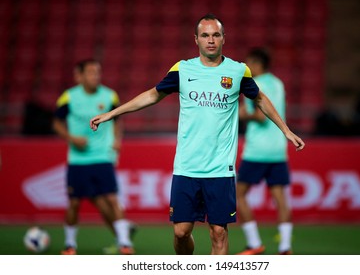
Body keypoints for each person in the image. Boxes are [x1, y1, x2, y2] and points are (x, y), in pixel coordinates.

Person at [90, 14, 305, 255]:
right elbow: (153, 95)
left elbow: (260, 99)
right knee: (181, 232)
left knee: (219, 233)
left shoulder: (238, 71)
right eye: (205, 35)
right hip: (186, 167)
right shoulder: (183, 69)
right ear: (196, 39)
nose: (211, 40)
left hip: (220, 169)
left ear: (224, 38)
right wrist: (112, 113)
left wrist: (285, 130)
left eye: (216, 35)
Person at [53, 59, 135, 255]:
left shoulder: (109, 96)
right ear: (79, 76)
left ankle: (124, 243)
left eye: (97, 72)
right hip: (78, 159)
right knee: (74, 202)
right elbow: (57, 123)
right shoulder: (69, 97)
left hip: (103, 156)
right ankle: (70, 244)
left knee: (112, 199)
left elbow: (117, 121)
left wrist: (117, 140)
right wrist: (71, 138)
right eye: (90, 72)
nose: (95, 76)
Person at [236, 48, 293, 255]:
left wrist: (243, 115)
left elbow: (260, 117)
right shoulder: (278, 83)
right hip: (278, 149)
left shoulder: (254, 85)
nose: (246, 67)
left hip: (257, 150)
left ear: (257, 64)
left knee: (238, 195)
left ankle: (254, 243)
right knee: (280, 199)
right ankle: (285, 247)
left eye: (249, 62)